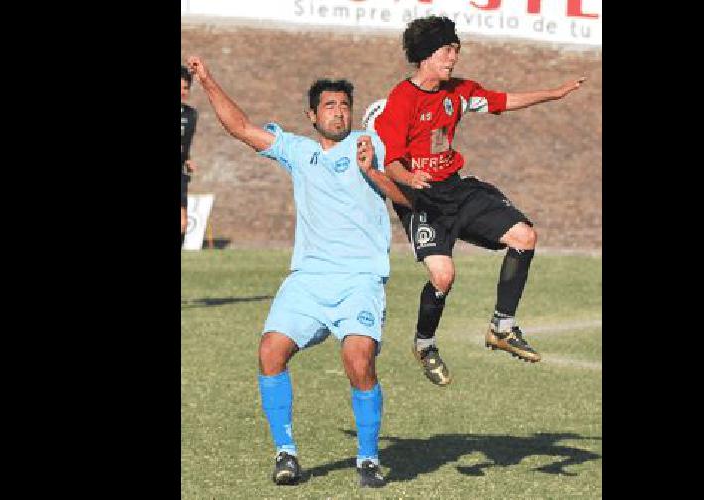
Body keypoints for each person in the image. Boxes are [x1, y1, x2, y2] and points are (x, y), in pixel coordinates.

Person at [187, 55, 411, 488]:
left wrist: (374, 168)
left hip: (360, 280)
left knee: (358, 359)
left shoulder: (370, 143)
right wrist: (208, 80)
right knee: (270, 351)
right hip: (308, 279)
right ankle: (285, 453)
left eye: (344, 105)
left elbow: (405, 196)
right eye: (329, 105)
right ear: (312, 115)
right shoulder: (298, 151)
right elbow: (241, 128)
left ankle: (367, 459)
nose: (339, 112)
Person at [371, 16, 587, 386]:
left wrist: (552, 94)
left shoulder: (459, 91)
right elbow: (389, 162)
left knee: (524, 237)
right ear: (425, 54)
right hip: (420, 199)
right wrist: (410, 179)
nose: (453, 57)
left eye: (456, 50)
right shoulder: (401, 100)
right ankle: (425, 345)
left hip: (456, 189)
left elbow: (502, 100)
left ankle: (502, 327)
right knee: (443, 275)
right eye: (447, 50)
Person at [181, 64, 199, 248]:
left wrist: (187, 158)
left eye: (185, 87)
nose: (182, 91)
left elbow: (185, 145)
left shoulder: (191, 114)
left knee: (183, 223)